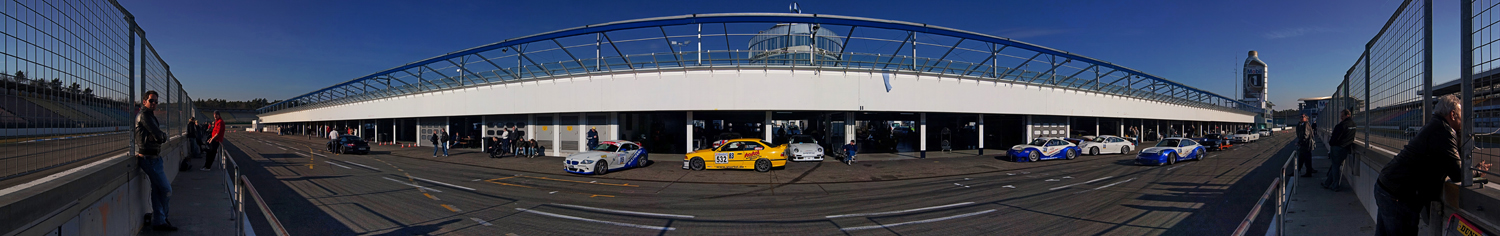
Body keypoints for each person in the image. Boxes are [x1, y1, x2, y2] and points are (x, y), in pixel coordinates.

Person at [1374, 95, 1492, 235]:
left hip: (1387, 187)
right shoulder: (1443, 131)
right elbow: (1457, 173)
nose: (1462, 121)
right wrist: (1478, 171)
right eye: (1461, 116)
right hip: (1398, 195)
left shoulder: (1435, 125)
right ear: (1453, 114)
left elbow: (1449, 162)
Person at [135, 91, 176, 231]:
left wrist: (160, 136)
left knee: (158, 190)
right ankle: (163, 218)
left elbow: (159, 136)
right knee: (166, 189)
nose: (154, 104)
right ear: (144, 101)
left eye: (156, 102)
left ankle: (160, 221)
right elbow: (160, 136)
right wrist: (160, 136)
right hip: (149, 159)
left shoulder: (150, 116)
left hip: (154, 158)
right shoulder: (144, 116)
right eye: (151, 101)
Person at [1324, 109, 1355, 189]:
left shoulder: (1341, 125)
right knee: (1335, 166)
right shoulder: (1354, 125)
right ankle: (1327, 183)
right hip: (1346, 148)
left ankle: (1335, 185)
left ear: (1347, 115)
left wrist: (1331, 143)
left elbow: (1334, 138)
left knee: (1335, 167)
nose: (1341, 118)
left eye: (1342, 116)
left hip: (1337, 148)